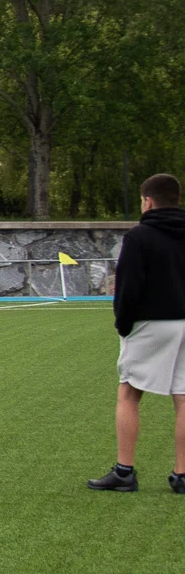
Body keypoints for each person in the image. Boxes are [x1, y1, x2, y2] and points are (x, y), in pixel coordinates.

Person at [88, 173, 185, 494]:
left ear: (147, 201)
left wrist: (123, 324)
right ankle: (182, 475)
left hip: (151, 323)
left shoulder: (139, 237)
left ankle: (124, 472)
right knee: (184, 397)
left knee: (129, 392)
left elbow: (128, 287)